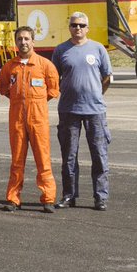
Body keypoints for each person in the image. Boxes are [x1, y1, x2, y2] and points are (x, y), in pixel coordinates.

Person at [53, 11, 112, 211]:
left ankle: (100, 197)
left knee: (99, 154)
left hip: (95, 110)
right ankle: (69, 195)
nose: (77, 28)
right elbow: (54, 78)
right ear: (69, 27)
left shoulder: (98, 49)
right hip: (69, 109)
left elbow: (107, 77)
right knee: (69, 155)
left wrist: (96, 93)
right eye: (74, 25)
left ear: (87, 28)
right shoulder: (61, 50)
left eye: (81, 25)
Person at [0, 26, 60, 213]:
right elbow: (5, 89)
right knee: (17, 160)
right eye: (19, 39)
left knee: (43, 159)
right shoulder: (10, 67)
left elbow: (52, 90)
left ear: (33, 41)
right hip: (17, 119)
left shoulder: (45, 65)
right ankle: (13, 199)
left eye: (26, 39)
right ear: (15, 42)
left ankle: (48, 199)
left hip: (38, 119)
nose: (23, 42)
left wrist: (36, 103)